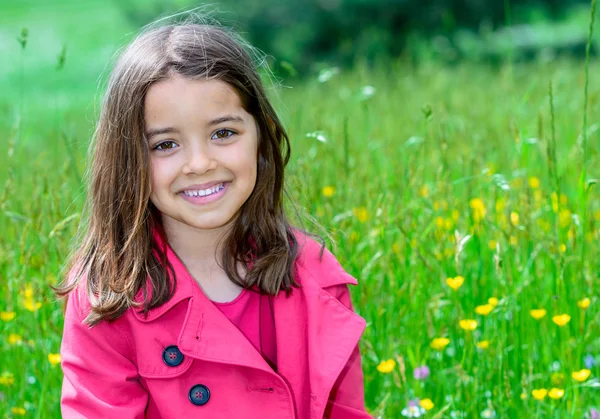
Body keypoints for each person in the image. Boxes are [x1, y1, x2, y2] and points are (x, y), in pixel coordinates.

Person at [53, 15, 373, 419]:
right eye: (165, 144)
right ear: (127, 159)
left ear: (261, 134)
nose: (200, 163)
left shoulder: (315, 277)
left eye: (223, 133)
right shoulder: (107, 296)